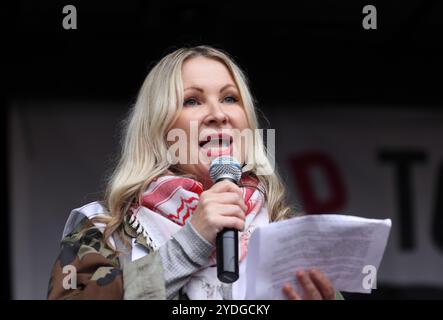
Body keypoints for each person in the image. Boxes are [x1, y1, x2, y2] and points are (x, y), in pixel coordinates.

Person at [47, 45, 342, 300]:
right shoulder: (104, 230)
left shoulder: (288, 232)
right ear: (159, 128)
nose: (218, 114)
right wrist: (192, 242)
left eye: (230, 98)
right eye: (192, 100)